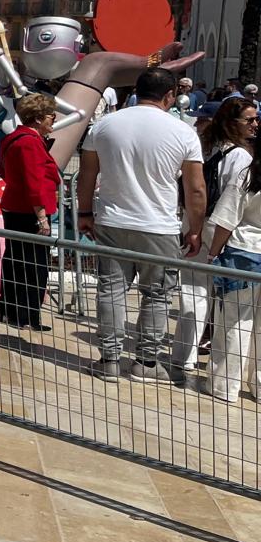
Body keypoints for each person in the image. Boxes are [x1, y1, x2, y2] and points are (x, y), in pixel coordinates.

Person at [77, 67, 206, 383]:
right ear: (170, 95)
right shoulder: (183, 132)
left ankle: (109, 360)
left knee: (111, 290)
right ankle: (146, 364)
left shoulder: (104, 126)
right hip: (158, 225)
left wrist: (84, 214)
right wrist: (195, 229)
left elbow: (87, 176)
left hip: (111, 219)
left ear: (137, 90)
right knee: (158, 294)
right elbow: (196, 189)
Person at [170, 96, 256, 376]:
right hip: (220, 227)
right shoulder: (241, 155)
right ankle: (221, 365)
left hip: (193, 221)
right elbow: (234, 200)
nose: (256, 125)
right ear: (234, 123)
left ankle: (184, 355)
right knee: (224, 302)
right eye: (250, 120)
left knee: (193, 293)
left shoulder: (205, 147)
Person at [0, 93, 62, 330]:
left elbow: (2, 171)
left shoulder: (12, 138)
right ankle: (26, 316)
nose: (53, 120)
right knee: (34, 265)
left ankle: (9, 311)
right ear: (38, 118)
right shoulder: (30, 142)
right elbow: (34, 183)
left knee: (14, 259)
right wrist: (42, 217)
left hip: (14, 205)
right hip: (30, 210)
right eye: (51, 116)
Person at [205, 153, 261, 402]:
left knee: (235, 322)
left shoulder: (248, 175)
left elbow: (227, 219)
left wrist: (213, 252)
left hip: (245, 252)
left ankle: (224, 386)